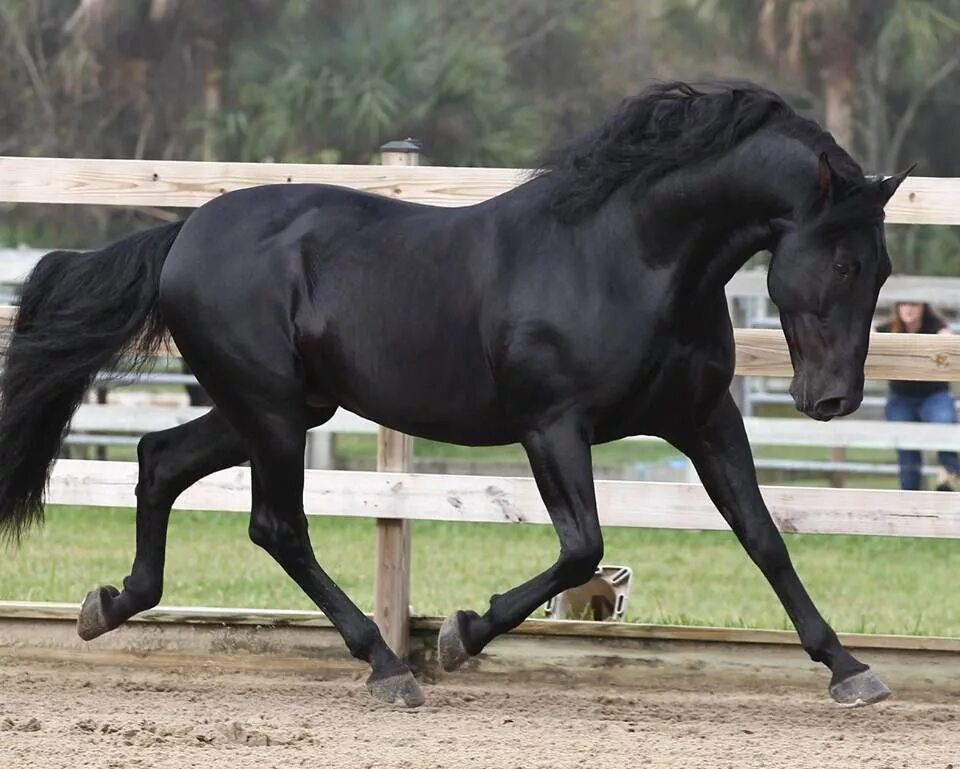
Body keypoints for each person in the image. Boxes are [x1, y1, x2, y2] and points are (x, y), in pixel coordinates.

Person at [876, 302, 958, 491]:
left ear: (923, 307)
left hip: (934, 395)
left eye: (914, 304)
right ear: (897, 307)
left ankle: (947, 475)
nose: (908, 309)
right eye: (903, 304)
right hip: (901, 397)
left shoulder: (934, 325)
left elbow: (948, 340)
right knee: (907, 452)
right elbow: (870, 333)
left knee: (945, 425)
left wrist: (945, 340)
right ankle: (909, 498)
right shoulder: (890, 327)